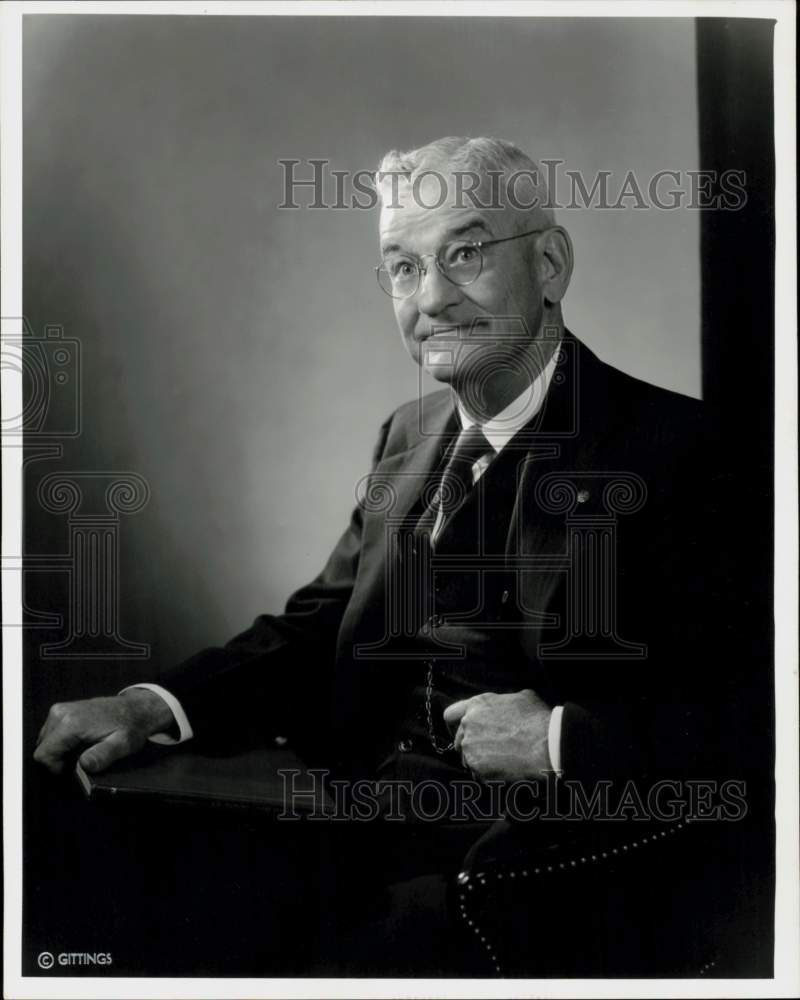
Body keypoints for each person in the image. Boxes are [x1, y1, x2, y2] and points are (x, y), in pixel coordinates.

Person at [34, 137, 761, 976]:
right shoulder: (407, 437)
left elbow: (756, 715)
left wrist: (564, 738)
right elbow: (319, 625)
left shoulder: (688, 450)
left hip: (541, 843)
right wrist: (152, 703)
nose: (435, 299)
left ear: (551, 263)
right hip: (363, 809)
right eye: (404, 268)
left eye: (465, 254)